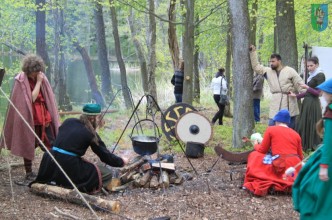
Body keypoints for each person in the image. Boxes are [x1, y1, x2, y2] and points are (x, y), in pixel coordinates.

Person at [32, 104, 128, 194]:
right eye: (99, 118)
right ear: (93, 118)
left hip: (49, 160)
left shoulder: (68, 121)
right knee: (106, 173)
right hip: (67, 164)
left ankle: (56, 180)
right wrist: (121, 161)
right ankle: (70, 184)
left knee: (88, 164)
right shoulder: (90, 133)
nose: (101, 121)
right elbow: (105, 156)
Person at [0, 54, 60, 182]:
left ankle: (53, 170)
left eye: (39, 71)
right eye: (35, 72)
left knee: (50, 143)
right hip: (30, 117)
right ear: (29, 70)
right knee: (29, 143)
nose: (37, 74)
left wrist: (40, 80)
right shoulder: (21, 80)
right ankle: (29, 172)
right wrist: (38, 82)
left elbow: (48, 98)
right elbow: (31, 99)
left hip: (44, 117)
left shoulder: (42, 77)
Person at [293, 79, 332, 219]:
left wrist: (323, 166)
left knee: (310, 187)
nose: (322, 93)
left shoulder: (330, 113)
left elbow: (329, 142)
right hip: (327, 154)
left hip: (328, 159)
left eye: (325, 91)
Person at [243, 109, 304, 196]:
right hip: (294, 165)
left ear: (276, 121)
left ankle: (272, 178)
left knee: (254, 155)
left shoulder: (271, 130)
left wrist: (256, 145)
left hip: (281, 164)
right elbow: (300, 156)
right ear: (288, 123)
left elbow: (262, 150)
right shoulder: (296, 134)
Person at [249, 45, 304, 129]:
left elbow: (301, 85)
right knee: (272, 127)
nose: (271, 63)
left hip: (289, 104)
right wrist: (253, 52)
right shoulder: (267, 71)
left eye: (273, 61)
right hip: (275, 104)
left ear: (279, 61)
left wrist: (301, 96)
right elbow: (256, 67)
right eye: (270, 61)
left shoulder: (290, 71)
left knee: (290, 130)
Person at [290, 56, 325, 152]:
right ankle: (303, 144)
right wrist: (296, 96)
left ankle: (311, 144)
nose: (309, 68)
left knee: (311, 123)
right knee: (303, 123)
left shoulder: (320, 75)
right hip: (307, 102)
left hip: (313, 103)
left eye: (311, 65)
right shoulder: (312, 75)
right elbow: (308, 93)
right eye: (308, 66)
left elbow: (319, 93)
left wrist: (307, 87)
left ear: (317, 64)